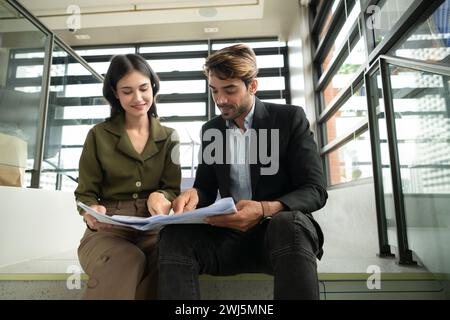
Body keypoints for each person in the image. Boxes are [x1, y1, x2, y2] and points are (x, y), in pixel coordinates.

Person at [157, 44, 328, 300]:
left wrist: (263, 209)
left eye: (230, 90)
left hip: (280, 239)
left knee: (289, 222)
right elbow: (205, 187)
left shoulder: (289, 118)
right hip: (229, 238)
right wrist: (193, 195)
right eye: (214, 90)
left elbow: (314, 190)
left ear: (252, 86)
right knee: (173, 235)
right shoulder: (211, 130)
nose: (221, 99)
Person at [75, 54, 181, 299]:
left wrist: (161, 195)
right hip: (107, 229)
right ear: (115, 93)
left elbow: (171, 187)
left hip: (153, 229)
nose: (138, 98)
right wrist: (91, 211)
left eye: (144, 88)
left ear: (153, 87)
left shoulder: (170, 137)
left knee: (169, 260)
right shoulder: (98, 135)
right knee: (128, 259)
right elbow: (86, 192)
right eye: (127, 91)